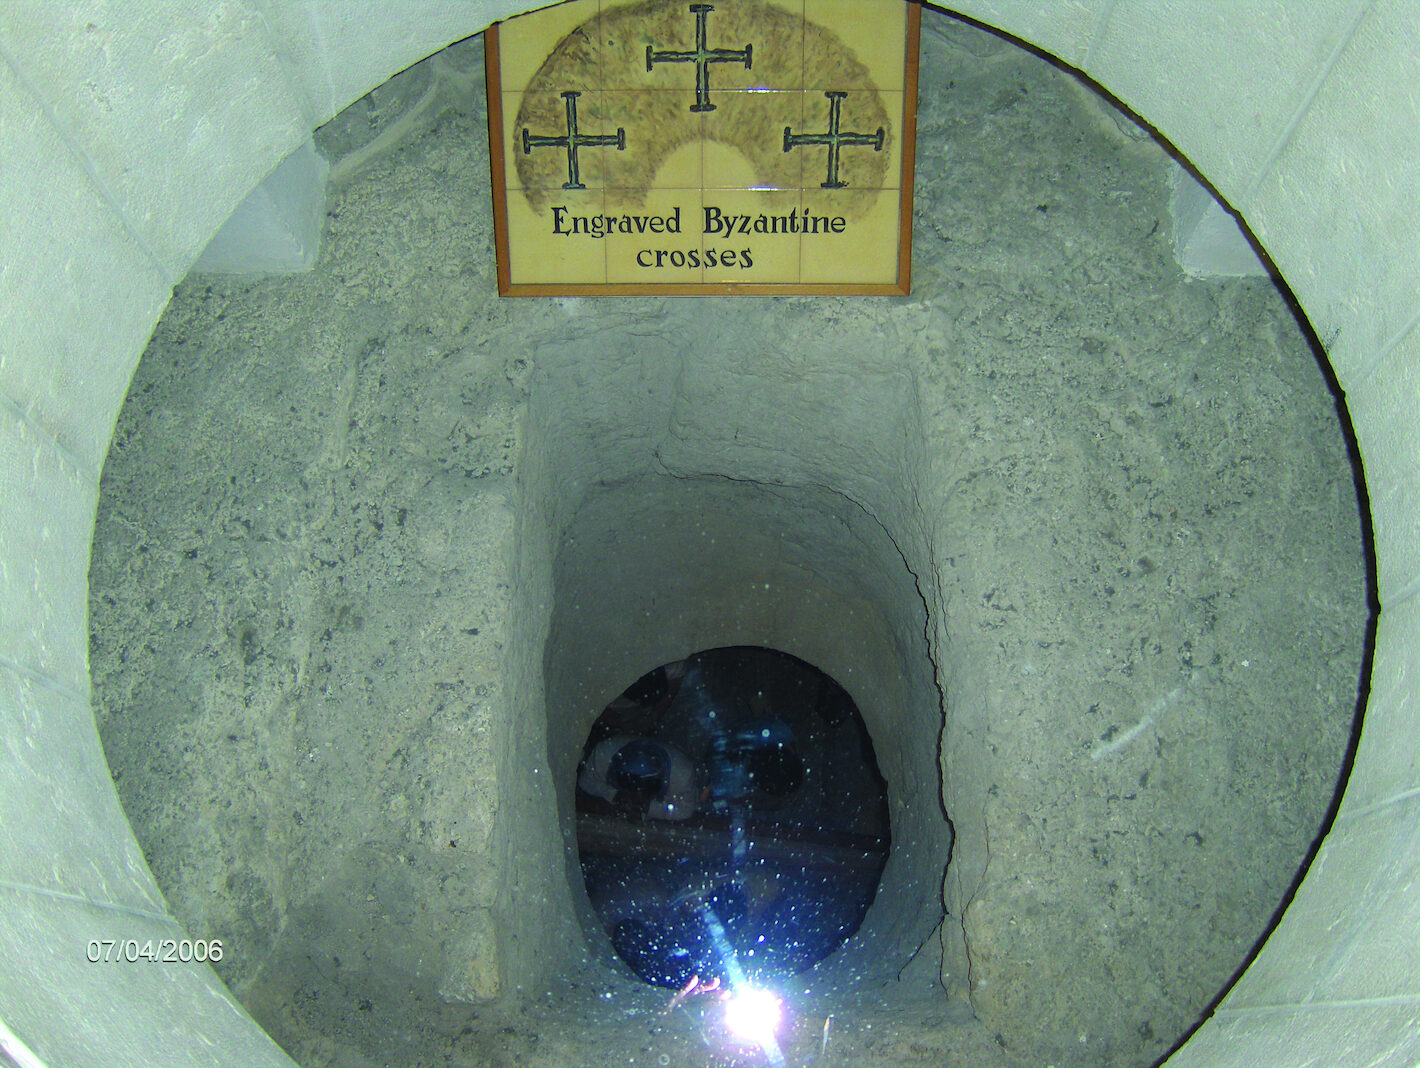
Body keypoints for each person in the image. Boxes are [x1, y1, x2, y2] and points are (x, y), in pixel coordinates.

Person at [577, 735, 702, 821]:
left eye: (645, 787)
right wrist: (613, 795)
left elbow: (687, 810)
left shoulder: (683, 775)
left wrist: (650, 808)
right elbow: (585, 782)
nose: (636, 793)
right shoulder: (603, 754)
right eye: (629, 784)